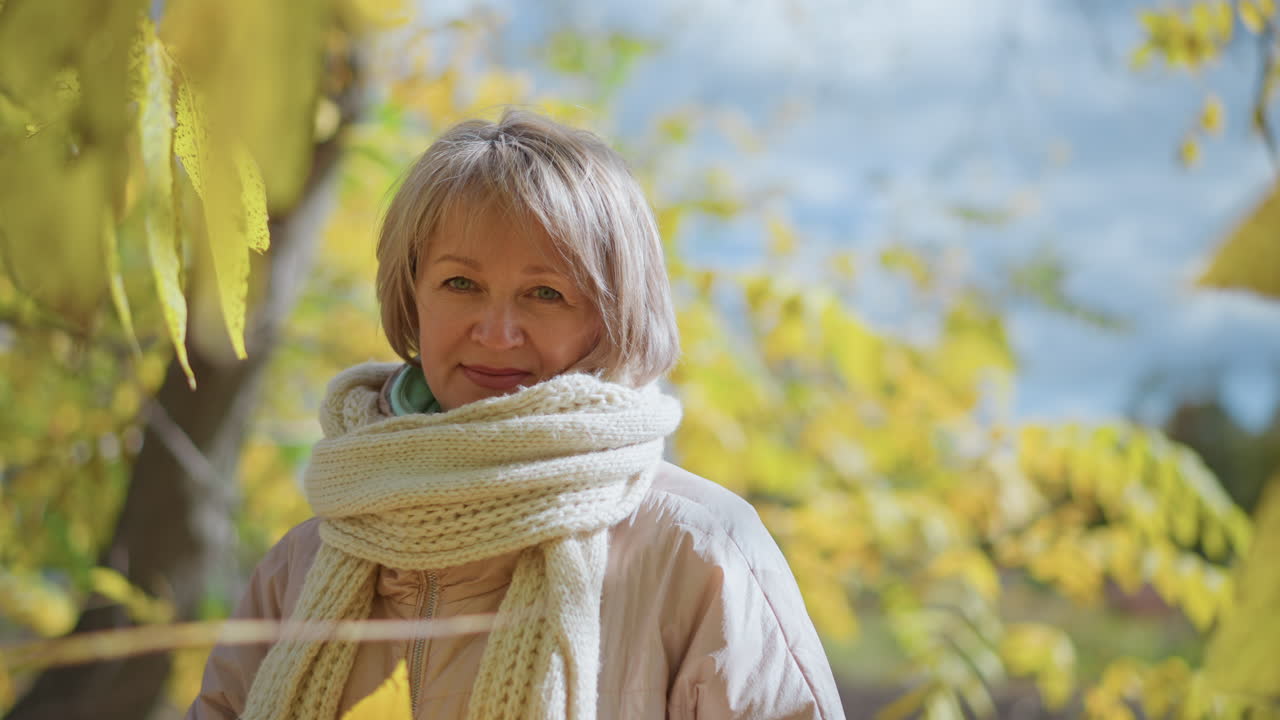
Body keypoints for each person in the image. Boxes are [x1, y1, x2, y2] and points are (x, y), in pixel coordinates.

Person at [187, 109, 845, 720]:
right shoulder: (304, 562)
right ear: (412, 296)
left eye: (545, 293)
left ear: (612, 319)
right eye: (461, 284)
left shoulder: (698, 549)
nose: (498, 333)